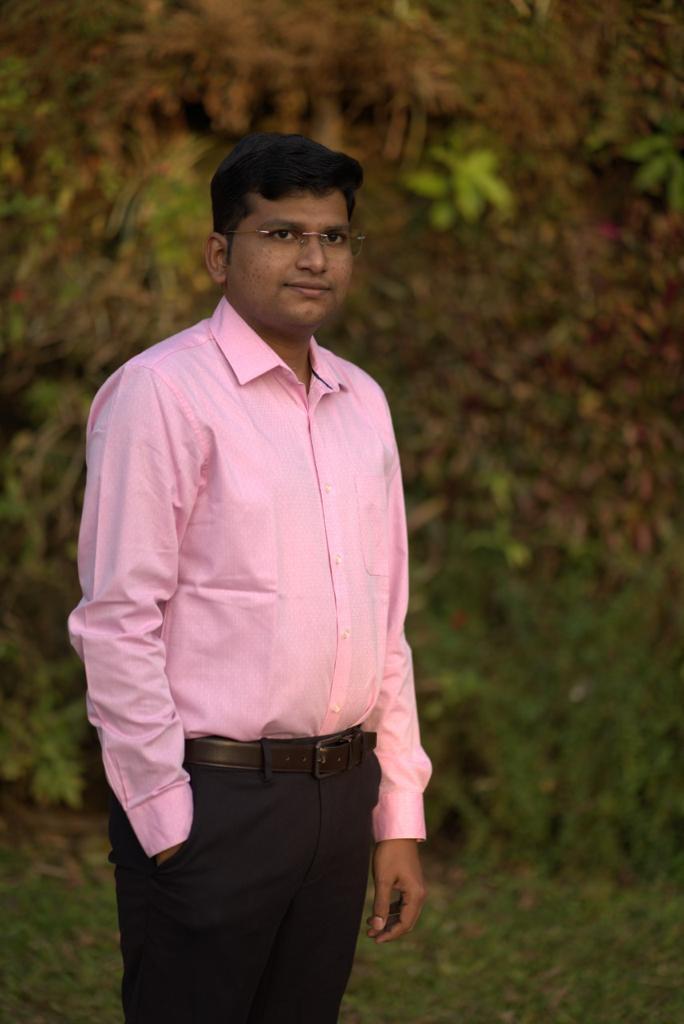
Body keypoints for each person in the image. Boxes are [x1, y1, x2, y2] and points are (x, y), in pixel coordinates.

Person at [67, 131, 432, 1024]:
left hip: (339, 801)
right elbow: (117, 620)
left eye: (333, 236)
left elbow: (384, 624)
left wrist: (397, 816)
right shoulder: (162, 393)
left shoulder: (363, 402)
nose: (313, 257)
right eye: (282, 234)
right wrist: (166, 822)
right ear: (219, 254)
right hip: (214, 802)